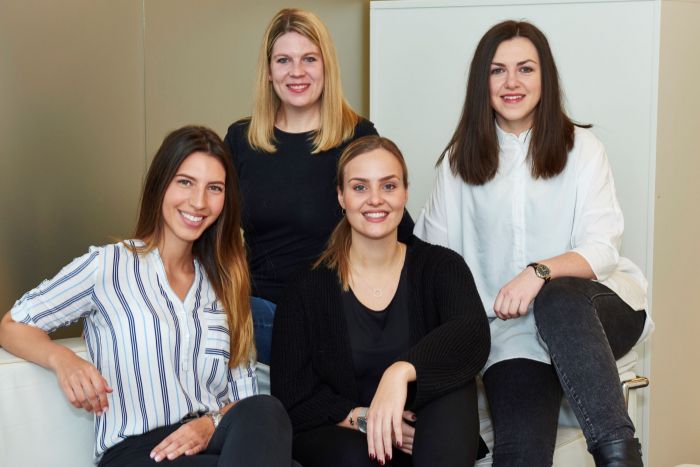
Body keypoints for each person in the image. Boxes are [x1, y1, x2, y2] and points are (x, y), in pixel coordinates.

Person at [415, 20, 654, 467]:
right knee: (521, 452)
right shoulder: (457, 164)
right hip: (511, 335)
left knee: (557, 297)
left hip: (595, 310)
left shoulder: (582, 148)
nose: (511, 82)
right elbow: (433, 260)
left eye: (525, 68)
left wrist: (538, 271)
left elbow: (602, 248)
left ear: (545, 78)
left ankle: (621, 458)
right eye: (497, 70)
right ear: (480, 82)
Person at [0, 126, 294, 466]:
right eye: (185, 182)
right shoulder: (108, 265)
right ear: (161, 185)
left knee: (266, 409)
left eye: (214, 188)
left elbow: (244, 402)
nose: (198, 202)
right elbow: (13, 324)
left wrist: (209, 424)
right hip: (141, 453)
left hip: (214, 444)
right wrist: (63, 360)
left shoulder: (225, 285)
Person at [271, 135, 490, 467]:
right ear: (341, 196)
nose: (376, 200)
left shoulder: (441, 267)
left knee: (455, 389)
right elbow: (292, 397)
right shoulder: (306, 287)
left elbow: (472, 335)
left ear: (404, 193)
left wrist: (400, 373)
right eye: (360, 188)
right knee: (356, 457)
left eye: (388, 186)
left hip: (424, 435)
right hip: (348, 437)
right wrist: (368, 418)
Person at [223, 8, 413, 364]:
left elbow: (398, 229)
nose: (297, 72)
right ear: (268, 71)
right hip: (264, 314)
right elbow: (210, 229)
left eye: (309, 59)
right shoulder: (241, 139)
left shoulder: (356, 137)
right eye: (284, 60)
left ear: (327, 66)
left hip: (339, 309)